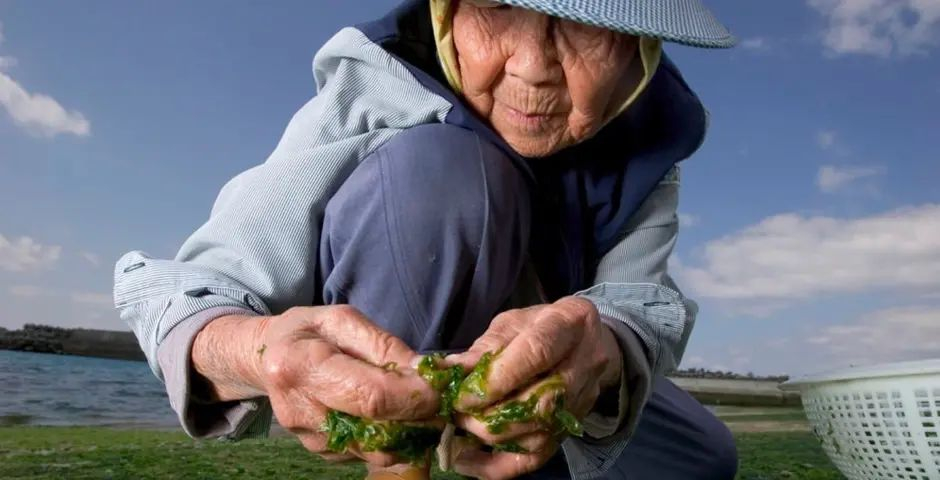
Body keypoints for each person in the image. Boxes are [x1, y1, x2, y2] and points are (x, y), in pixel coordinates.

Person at [113, 0, 739, 478]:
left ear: (639, 49)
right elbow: (193, 294)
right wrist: (255, 349)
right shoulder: (374, 86)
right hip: (393, 361)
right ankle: (402, 460)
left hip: (544, 392)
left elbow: (637, 299)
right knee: (442, 172)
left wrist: (604, 345)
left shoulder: (651, 138)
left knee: (705, 456)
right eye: (497, 7)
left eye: (581, 26)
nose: (531, 67)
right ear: (448, 10)